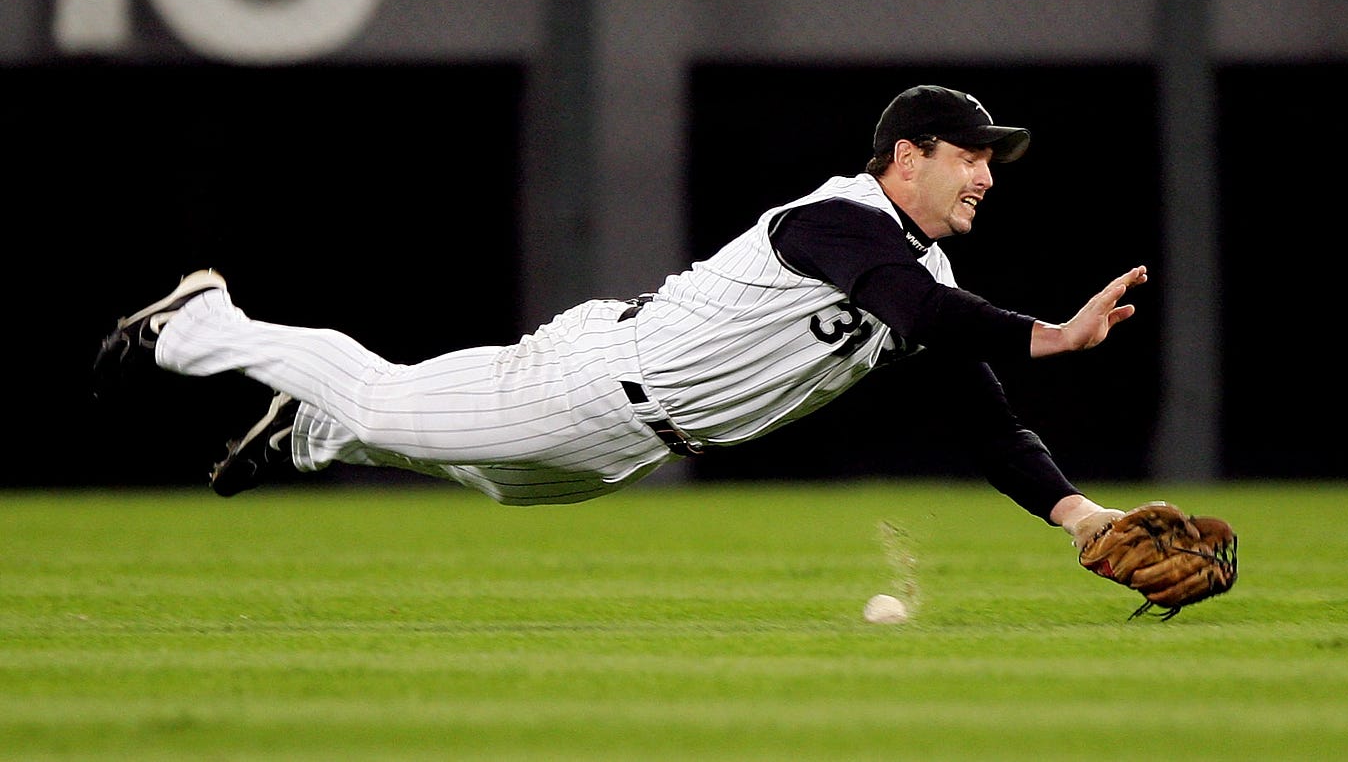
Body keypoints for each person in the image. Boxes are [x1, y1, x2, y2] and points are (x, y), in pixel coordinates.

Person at [94, 84, 1142, 548]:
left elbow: (986, 422)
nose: (983, 177)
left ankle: (308, 432)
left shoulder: (916, 276)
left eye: (987, 162)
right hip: (593, 383)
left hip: (623, 448)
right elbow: (913, 304)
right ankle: (203, 322)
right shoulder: (840, 218)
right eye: (968, 156)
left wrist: (1079, 518)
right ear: (904, 156)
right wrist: (1050, 332)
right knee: (383, 393)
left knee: (475, 474)